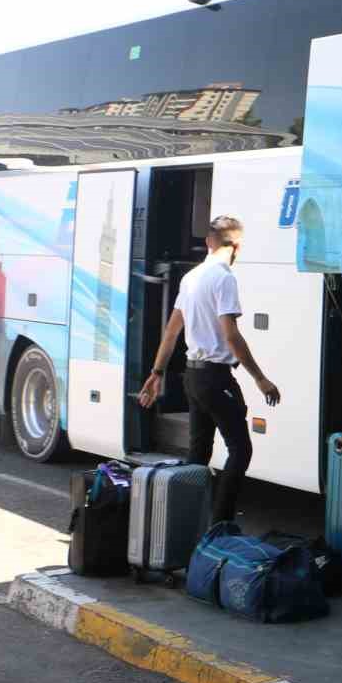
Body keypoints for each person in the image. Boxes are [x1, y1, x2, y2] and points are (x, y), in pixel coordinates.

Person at [137, 215, 280, 523]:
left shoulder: (191, 277)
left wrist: (157, 372)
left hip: (192, 376)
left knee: (198, 454)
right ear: (237, 246)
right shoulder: (223, 277)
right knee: (240, 451)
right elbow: (231, 335)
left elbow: (171, 332)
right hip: (215, 378)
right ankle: (220, 523)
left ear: (207, 242)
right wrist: (261, 378)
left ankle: (185, 525)